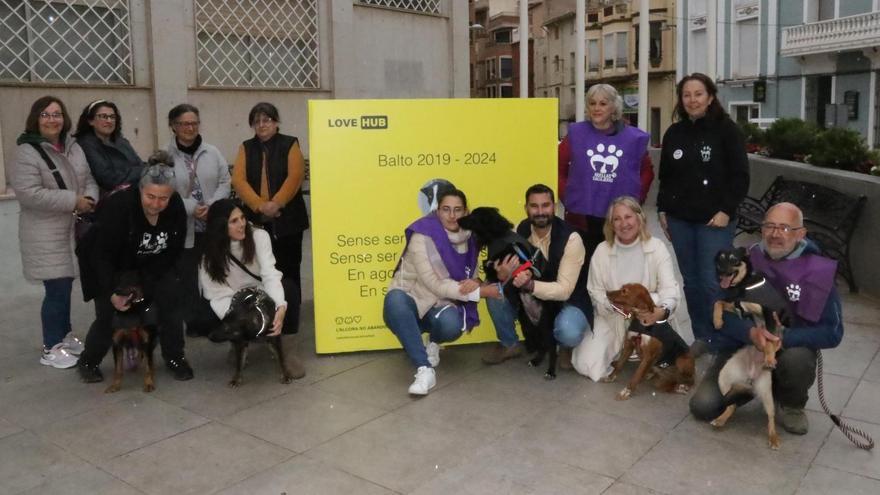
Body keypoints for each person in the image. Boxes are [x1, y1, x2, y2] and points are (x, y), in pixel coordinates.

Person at [689, 202, 844, 435]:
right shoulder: (744, 260)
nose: (774, 234)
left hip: (786, 349)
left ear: (800, 233)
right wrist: (750, 333)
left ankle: (790, 403)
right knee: (703, 407)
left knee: (799, 359)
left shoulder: (818, 271)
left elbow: (832, 332)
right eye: (769, 226)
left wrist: (783, 336)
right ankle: (746, 387)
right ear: (761, 229)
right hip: (742, 347)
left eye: (784, 228)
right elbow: (721, 314)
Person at [77, 152, 192, 382]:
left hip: (154, 263)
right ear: (140, 189)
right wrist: (111, 292)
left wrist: (148, 281)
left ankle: (175, 357)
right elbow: (101, 255)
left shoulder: (176, 206)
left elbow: (174, 248)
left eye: (163, 198)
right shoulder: (119, 206)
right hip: (114, 265)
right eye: (150, 196)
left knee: (171, 304)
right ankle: (89, 360)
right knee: (109, 314)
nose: (156, 204)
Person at [657, 73, 750, 352]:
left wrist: (726, 210)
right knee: (692, 281)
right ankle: (702, 337)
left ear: (710, 97)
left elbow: (740, 177)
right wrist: (663, 209)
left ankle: (721, 339)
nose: (692, 100)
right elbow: (667, 177)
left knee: (713, 282)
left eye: (698, 94)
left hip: (714, 221)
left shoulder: (727, 130)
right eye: (687, 95)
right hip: (680, 220)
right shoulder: (675, 133)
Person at [384, 188, 501, 395]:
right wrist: (481, 292)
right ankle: (424, 369)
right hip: (413, 297)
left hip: (443, 302)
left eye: (458, 210)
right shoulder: (423, 234)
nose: (452, 215)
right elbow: (434, 283)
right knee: (395, 301)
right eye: (446, 209)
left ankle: (434, 343)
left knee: (451, 325)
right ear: (437, 211)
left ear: (466, 212)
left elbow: (471, 274)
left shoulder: (472, 237)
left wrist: (476, 281)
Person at [10, 96, 99, 368]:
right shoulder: (26, 152)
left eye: (57, 114)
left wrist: (90, 199)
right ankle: (51, 346)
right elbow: (29, 194)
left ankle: (65, 336)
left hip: (72, 228)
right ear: (36, 119)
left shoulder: (73, 146)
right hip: (45, 232)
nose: (52, 120)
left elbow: (88, 179)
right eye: (46, 115)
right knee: (56, 288)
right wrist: (74, 201)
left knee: (65, 285)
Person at [571, 196, 681, 381]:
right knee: (585, 364)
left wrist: (661, 312)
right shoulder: (601, 251)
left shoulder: (657, 247)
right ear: (611, 224)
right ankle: (620, 348)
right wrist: (616, 307)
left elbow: (670, 289)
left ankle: (649, 348)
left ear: (639, 218)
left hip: (651, 319)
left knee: (653, 299)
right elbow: (595, 292)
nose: (624, 224)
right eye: (617, 219)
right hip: (613, 318)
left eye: (628, 217)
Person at [482, 184, 591, 370]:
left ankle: (564, 346)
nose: (540, 211)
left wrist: (531, 285)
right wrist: (502, 275)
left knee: (568, 330)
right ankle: (510, 343)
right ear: (526, 208)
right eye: (534, 206)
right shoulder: (519, 231)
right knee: (494, 289)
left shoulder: (571, 238)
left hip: (569, 300)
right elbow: (505, 270)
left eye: (545, 205)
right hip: (535, 297)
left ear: (554, 207)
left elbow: (564, 290)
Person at [197, 199, 305, 378]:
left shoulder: (258, 236)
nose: (241, 224)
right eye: (233, 221)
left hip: (261, 293)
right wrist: (240, 320)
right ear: (220, 226)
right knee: (201, 315)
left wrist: (280, 306)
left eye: (242, 218)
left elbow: (270, 274)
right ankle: (238, 341)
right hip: (235, 301)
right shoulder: (207, 254)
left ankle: (286, 350)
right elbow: (216, 294)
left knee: (290, 290)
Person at [231, 102, 307, 334]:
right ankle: (264, 317)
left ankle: (290, 320)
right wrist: (259, 205)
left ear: (276, 122)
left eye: (267, 120)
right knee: (261, 270)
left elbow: (295, 176)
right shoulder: (246, 147)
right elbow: (239, 180)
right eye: (257, 121)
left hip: (288, 220)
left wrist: (277, 204)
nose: (262, 125)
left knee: (290, 271)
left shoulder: (290, 143)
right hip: (256, 221)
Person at [558, 84, 652, 256]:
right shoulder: (575, 134)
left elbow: (647, 171)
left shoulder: (633, 138)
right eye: (592, 103)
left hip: (618, 218)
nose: (596, 108)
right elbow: (558, 168)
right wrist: (569, 197)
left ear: (614, 106)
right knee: (583, 267)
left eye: (603, 103)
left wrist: (635, 202)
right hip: (581, 217)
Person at [165, 104, 231, 327]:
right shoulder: (164, 157)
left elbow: (225, 181)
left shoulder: (212, 152)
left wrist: (212, 206)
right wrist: (191, 208)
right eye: (184, 123)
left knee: (216, 271)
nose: (189, 128)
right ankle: (194, 322)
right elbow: (163, 191)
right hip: (184, 226)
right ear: (173, 126)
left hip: (212, 224)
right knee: (188, 276)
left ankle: (217, 317)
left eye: (194, 123)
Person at [73, 99, 144, 194]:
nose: (109, 121)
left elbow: (139, 164)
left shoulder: (121, 141)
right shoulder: (86, 145)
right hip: (108, 199)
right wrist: (144, 170)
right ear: (91, 121)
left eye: (112, 117)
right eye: (103, 116)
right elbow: (109, 179)